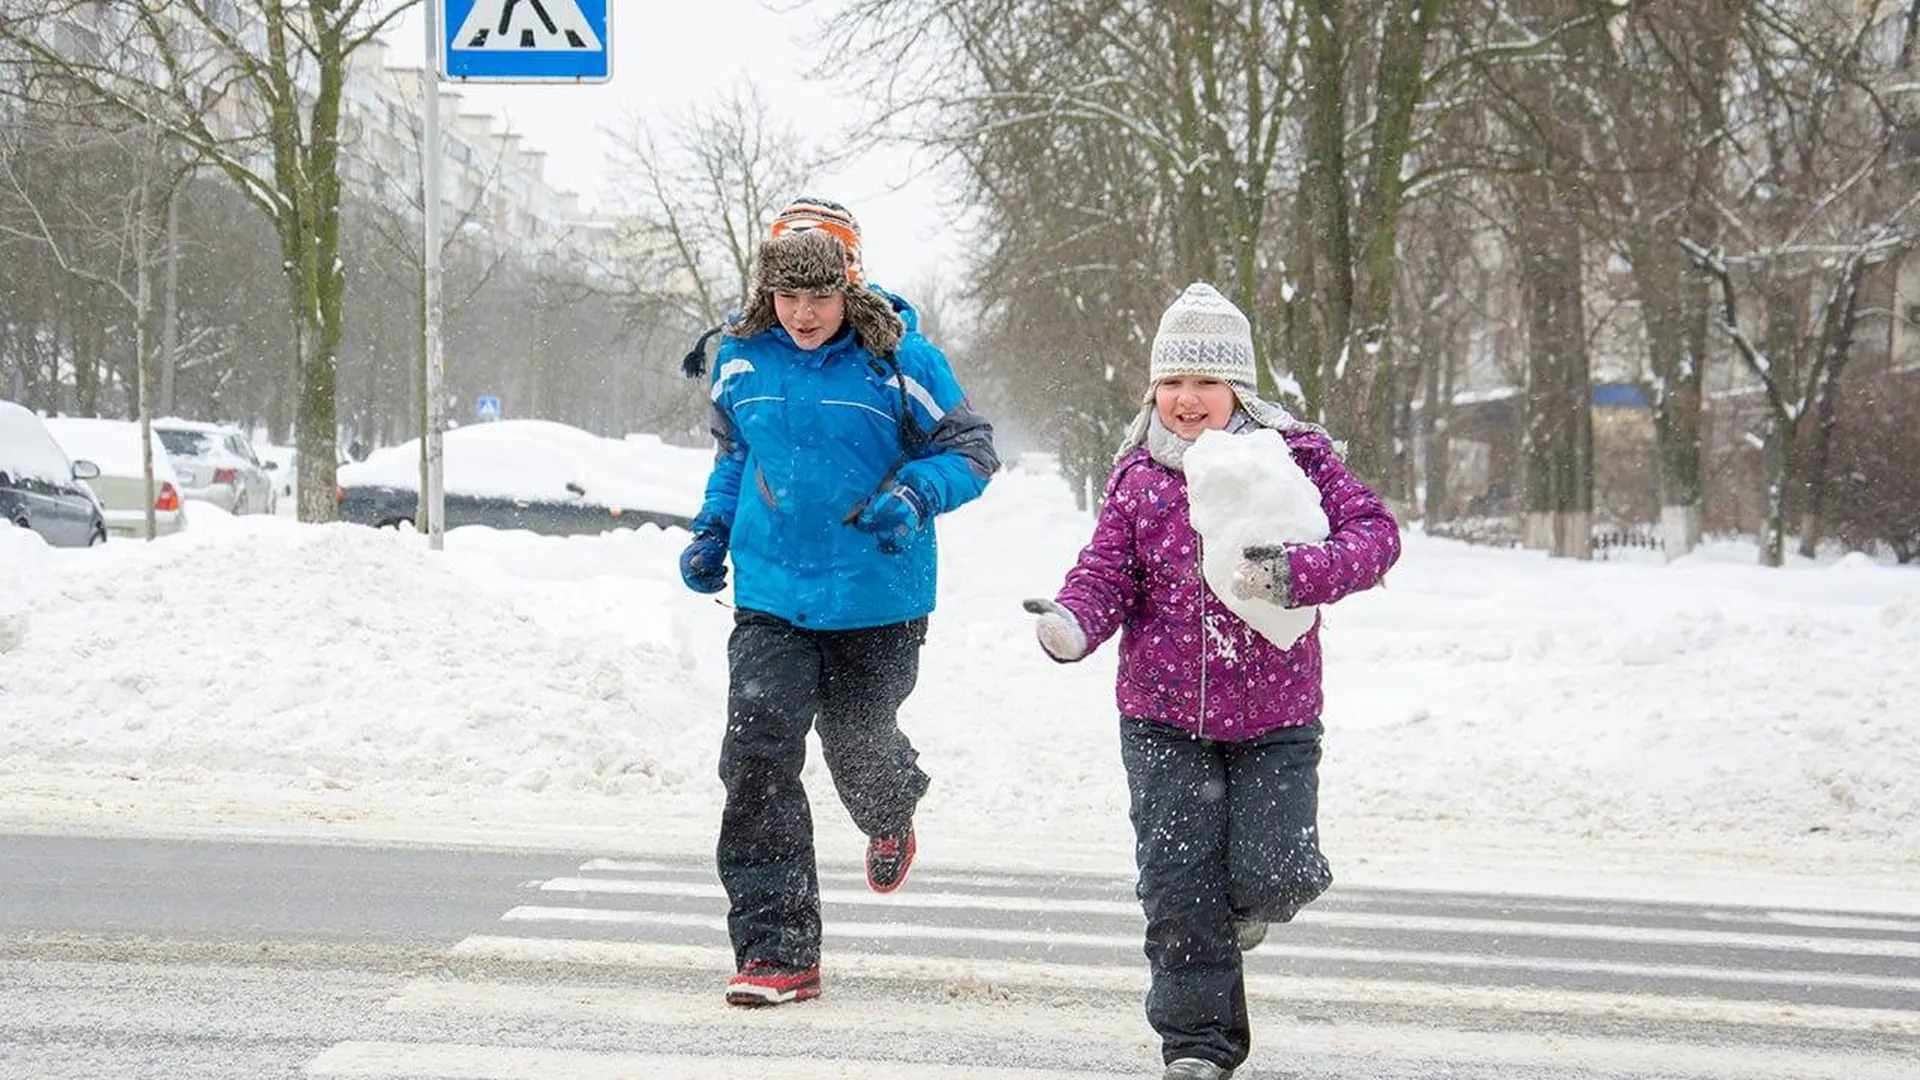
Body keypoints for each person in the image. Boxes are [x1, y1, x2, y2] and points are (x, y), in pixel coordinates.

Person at [1025, 283, 1400, 1080]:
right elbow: (1105, 575)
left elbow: (1377, 536)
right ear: (1154, 388)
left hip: (1276, 717)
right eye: (1172, 382)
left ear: (1239, 388)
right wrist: (1072, 624)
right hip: (1162, 719)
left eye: (1206, 382)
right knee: (1177, 885)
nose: (1187, 400)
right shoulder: (1137, 477)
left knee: (1277, 875)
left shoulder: (1296, 459)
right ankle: (1197, 1046)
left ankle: (1245, 910)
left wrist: (1299, 574)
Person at [678, 197, 1000, 1008]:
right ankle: (777, 952)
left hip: (877, 592)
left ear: (849, 286)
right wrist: (713, 530)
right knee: (755, 759)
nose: (804, 313)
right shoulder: (744, 357)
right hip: (772, 593)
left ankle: (890, 807)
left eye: (820, 296)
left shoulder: (899, 359)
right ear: (767, 292)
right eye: (788, 296)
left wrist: (916, 492)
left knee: (858, 740)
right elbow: (737, 452)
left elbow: (971, 448)